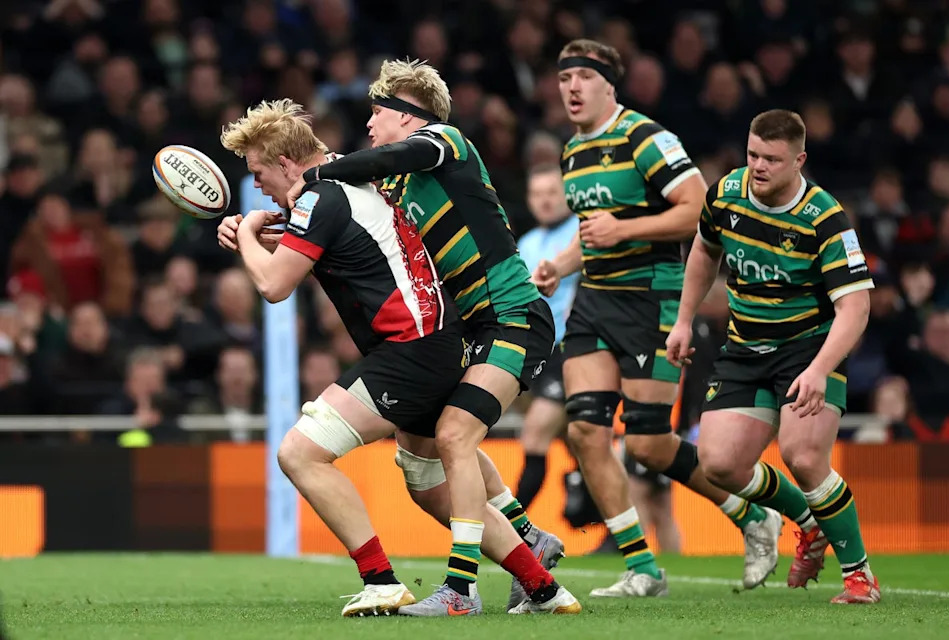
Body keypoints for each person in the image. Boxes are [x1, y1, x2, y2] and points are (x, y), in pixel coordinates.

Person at [217, 99, 579, 617]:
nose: (257, 185)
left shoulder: (327, 195)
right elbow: (311, 237)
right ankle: (543, 584)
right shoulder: (349, 187)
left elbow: (274, 285)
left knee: (300, 452)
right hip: (435, 342)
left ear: (285, 164)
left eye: (257, 172)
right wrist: (253, 237)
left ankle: (382, 580)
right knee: (430, 483)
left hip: (412, 351)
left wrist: (249, 235)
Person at [532, 39, 781, 597]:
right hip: (595, 300)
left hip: (652, 297)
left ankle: (751, 515)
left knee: (647, 444)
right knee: (585, 431)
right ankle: (642, 568)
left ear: (608, 85)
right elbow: (594, 230)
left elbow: (698, 207)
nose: (571, 87)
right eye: (563, 77)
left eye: (582, 77)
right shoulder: (574, 150)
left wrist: (623, 230)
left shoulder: (644, 137)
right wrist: (562, 264)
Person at [666, 109, 881, 604]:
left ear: (799, 160)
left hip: (808, 348)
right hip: (744, 345)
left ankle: (860, 576)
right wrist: (683, 319)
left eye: (771, 159)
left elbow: (856, 306)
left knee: (803, 457)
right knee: (718, 463)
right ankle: (809, 523)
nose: (758, 167)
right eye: (752, 155)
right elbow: (703, 251)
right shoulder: (725, 193)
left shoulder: (825, 217)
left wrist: (819, 370)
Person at [515, 164, 579, 510]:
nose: (545, 201)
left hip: (572, 346)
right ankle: (609, 523)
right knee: (579, 442)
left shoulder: (580, 233)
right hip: (538, 350)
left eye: (552, 193)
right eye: (538, 194)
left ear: (568, 195)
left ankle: (511, 524)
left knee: (536, 433)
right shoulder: (527, 243)